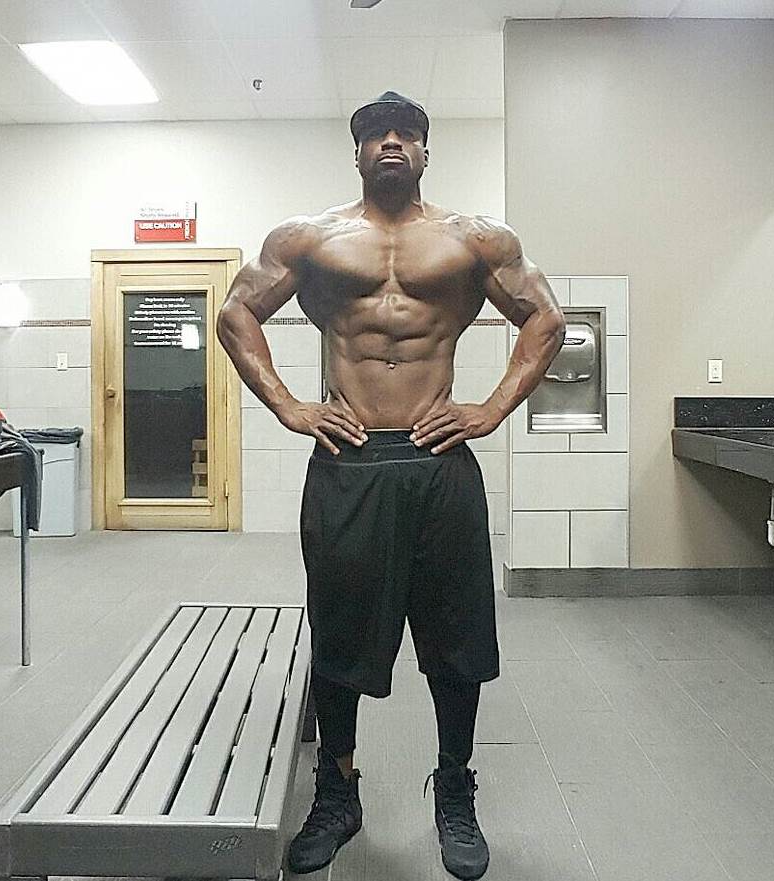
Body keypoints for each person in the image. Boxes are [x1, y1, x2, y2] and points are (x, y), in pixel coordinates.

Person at [217, 91, 565, 880]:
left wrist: (490, 409)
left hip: (439, 462)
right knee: (339, 634)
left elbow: (546, 318)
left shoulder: (476, 239)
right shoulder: (309, 238)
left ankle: (453, 786)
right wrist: (290, 406)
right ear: (359, 150)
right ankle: (338, 793)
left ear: (426, 150)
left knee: (457, 637)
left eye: (407, 133)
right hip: (347, 463)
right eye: (377, 134)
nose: (393, 144)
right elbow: (237, 313)